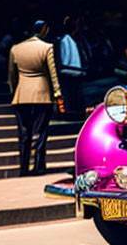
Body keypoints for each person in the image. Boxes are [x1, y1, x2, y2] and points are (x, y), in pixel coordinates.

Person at [8, 20, 63, 176]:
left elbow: (11, 75)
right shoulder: (47, 48)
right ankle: (39, 165)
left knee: (24, 133)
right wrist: (58, 94)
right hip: (42, 94)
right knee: (41, 132)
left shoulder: (15, 49)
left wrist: (14, 91)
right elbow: (53, 74)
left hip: (21, 95)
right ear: (44, 30)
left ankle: (23, 167)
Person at [59, 15, 85, 115]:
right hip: (70, 75)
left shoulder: (72, 40)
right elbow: (65, 61)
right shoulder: (65, 41)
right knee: (70, 96)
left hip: (75, 74)